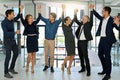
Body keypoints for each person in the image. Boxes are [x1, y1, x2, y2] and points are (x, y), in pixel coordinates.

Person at [90, 4, 120, 80]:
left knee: (107, 57)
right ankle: (104, 69)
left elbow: (118, 28)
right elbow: (96, 15)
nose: (102, 12)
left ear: (107, 12)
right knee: (100, 54)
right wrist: (92, 9)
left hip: (108, 40)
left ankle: (108, 74)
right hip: (102, 39)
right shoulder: (102, 18)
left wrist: (118, 23)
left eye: (103, 11)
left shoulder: (112, 20)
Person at [1, 6, 22, 78]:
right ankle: (6, 72)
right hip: (7, 41)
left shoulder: (12, 20)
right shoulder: (3, 23)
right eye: (13, 14)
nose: (14, 15)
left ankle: (11, 68)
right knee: (8, 56)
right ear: (9, 15)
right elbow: (6, 33)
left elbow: (18, 17)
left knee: (16, 53)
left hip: (13, 41)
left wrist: (20, 10)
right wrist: (15, 32)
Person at [40, 5, 62, 73]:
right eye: (49, 16)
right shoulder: (47, 21)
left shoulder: (56, 22)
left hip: (52, 41)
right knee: (46, 54)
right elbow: (41, 17)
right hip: (46, 40)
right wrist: (39, 10)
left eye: (50, 16)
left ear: (53, 17)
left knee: (52, 55)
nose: (49, 17)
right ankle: (46, 65)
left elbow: (61, 19)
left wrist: (63, 9)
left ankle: (52, 66)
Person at [19, 5, 41, 73]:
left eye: (32, 18)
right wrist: (21, 10)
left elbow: (38, 18)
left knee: (34, 54)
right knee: (29, 55)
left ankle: (32, 67)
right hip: (29, 39)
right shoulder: (25, 24)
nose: (32, 19)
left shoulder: (34, 23)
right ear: (27, 19)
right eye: (30, 18)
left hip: (35, 39)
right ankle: (27, 65)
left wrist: (39, 9)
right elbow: (21, 18)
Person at [74, 7, 93, 76]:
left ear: (87, 20)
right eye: (82, 18)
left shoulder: (89, 24)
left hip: (84, 42)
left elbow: (91, 20)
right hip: (79, 42)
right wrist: (75, 12)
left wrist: (91, 10)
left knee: (85, 57)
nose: (83, 19)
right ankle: (83, 68)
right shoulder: (81, 24)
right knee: (80, 56)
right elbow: (75, 20)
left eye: (84, 19)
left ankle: (88, 71)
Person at [61, 4, 75, 74]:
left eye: (70, 20)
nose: (70, 21)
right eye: (69, 20)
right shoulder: (63, 26)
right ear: (66, 21)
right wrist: (63, 10)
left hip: (72, 42)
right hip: (68, 42)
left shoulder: (70, 26)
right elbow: (62, 17)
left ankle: (69, 68)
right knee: (69, 55)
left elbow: (74, 19)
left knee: (73, 56)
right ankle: (63, 64)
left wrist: (75, 12)